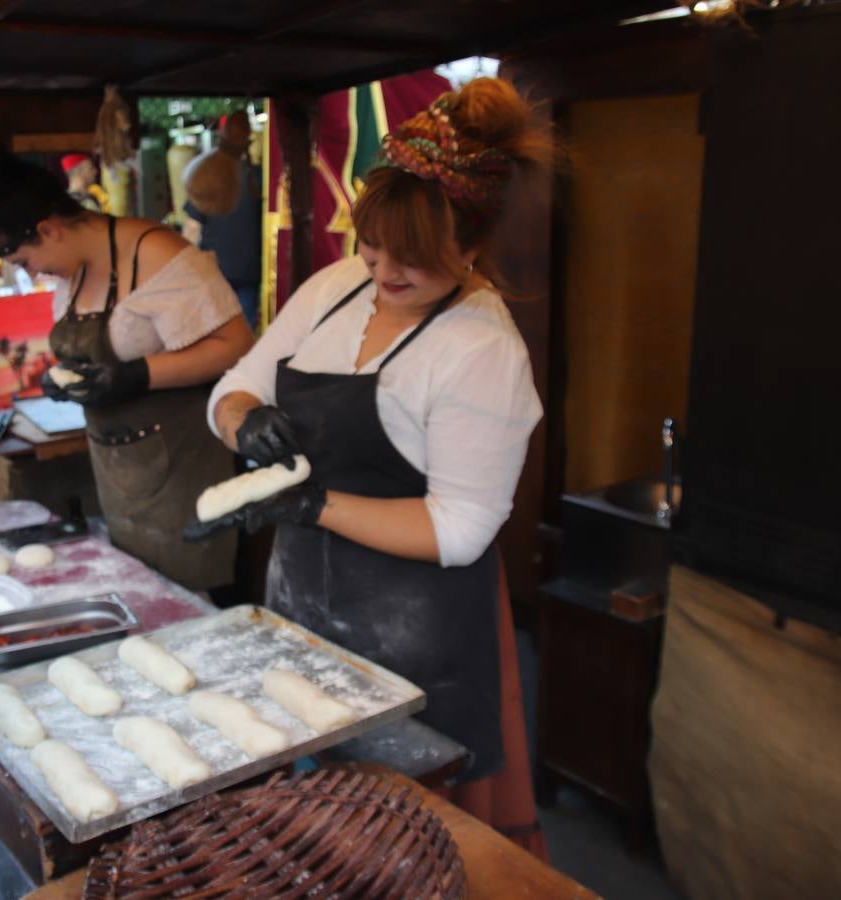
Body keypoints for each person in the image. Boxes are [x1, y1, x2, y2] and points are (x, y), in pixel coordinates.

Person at [191, 78, 548, 836]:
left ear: (474, 245)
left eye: (411, 259)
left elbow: (461, 529)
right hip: (303, 609)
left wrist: (312, 505)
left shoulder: (481, 348)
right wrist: (245, 421)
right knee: (313, 831)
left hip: (416, 636)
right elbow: (235, 385)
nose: (383, 272)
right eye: (372, 243)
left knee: (399, 839)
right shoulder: (335, 287)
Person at [0, 144, 254, 591]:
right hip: (118, 468)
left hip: (182, 467)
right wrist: (69, 382)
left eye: (26, 262)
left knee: (189, 596)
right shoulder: (72, 273)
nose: (36, 274)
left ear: (48, 229)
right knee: (140, 592)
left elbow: (235, 345)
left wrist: (139, 374)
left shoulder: (154, 255)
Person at [182, 111, 262, 326]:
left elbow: (192, 229)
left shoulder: (207, 175)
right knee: (244, 334)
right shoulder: (259, 176)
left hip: (215, 269)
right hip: (250, 269)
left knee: (216, 330)